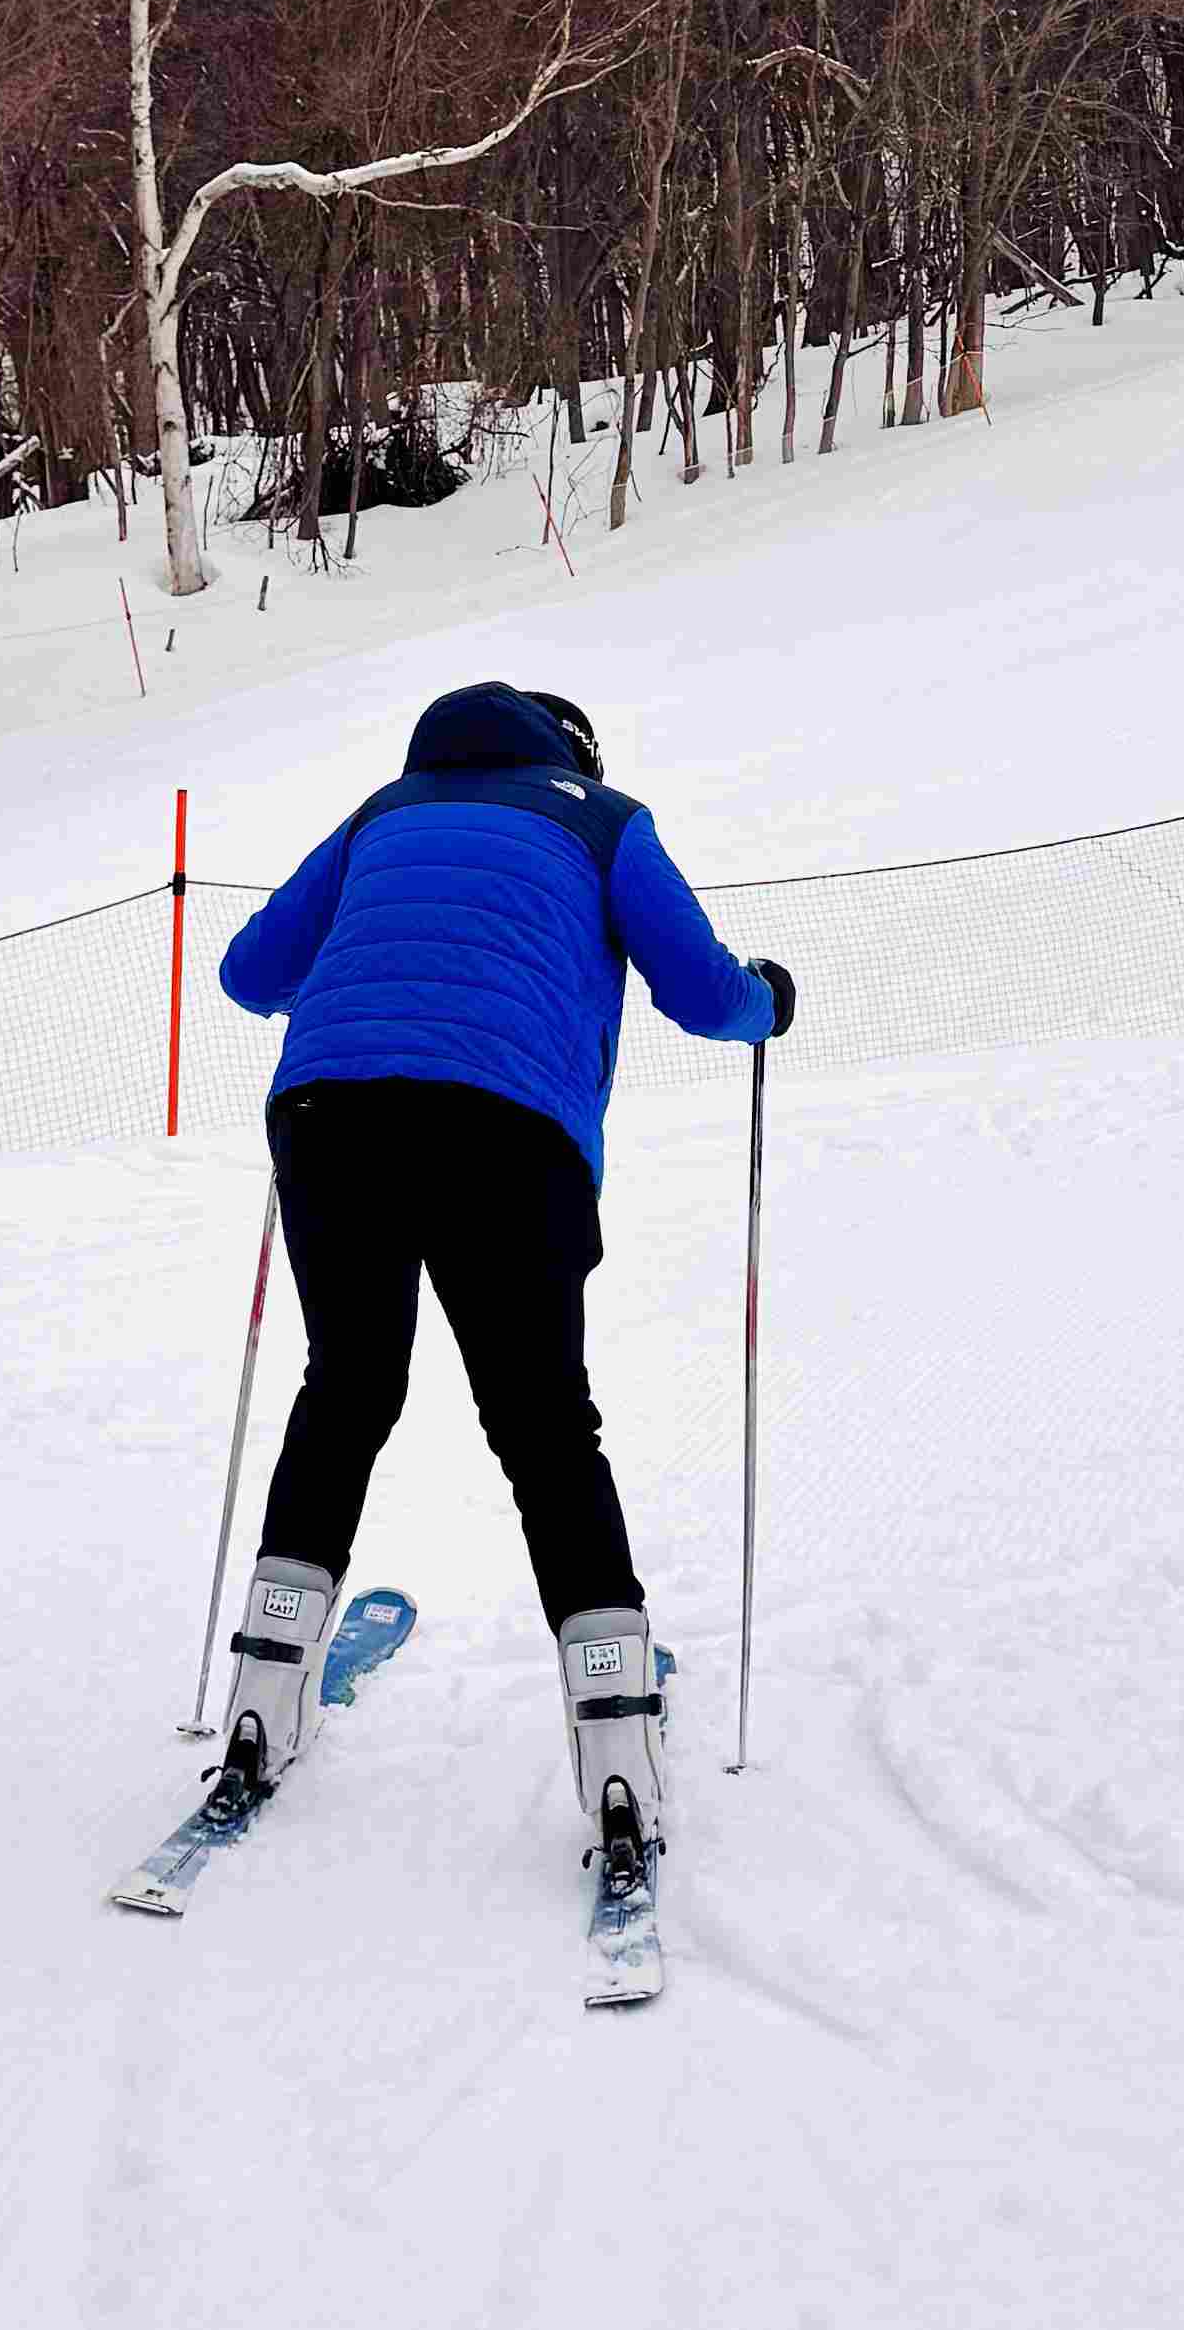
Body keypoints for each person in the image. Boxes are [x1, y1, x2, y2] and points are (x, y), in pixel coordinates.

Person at [210, 681, 792, 1872]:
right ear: (567, 750)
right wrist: (765, 1006)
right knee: (541, 1426)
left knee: (349, 1388)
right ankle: (618, 1749)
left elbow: (248, 975)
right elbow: (700, 990)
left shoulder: (384, 810)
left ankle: (263, 1698)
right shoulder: (602, 819)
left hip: (328, 1118)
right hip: (507, 1133)